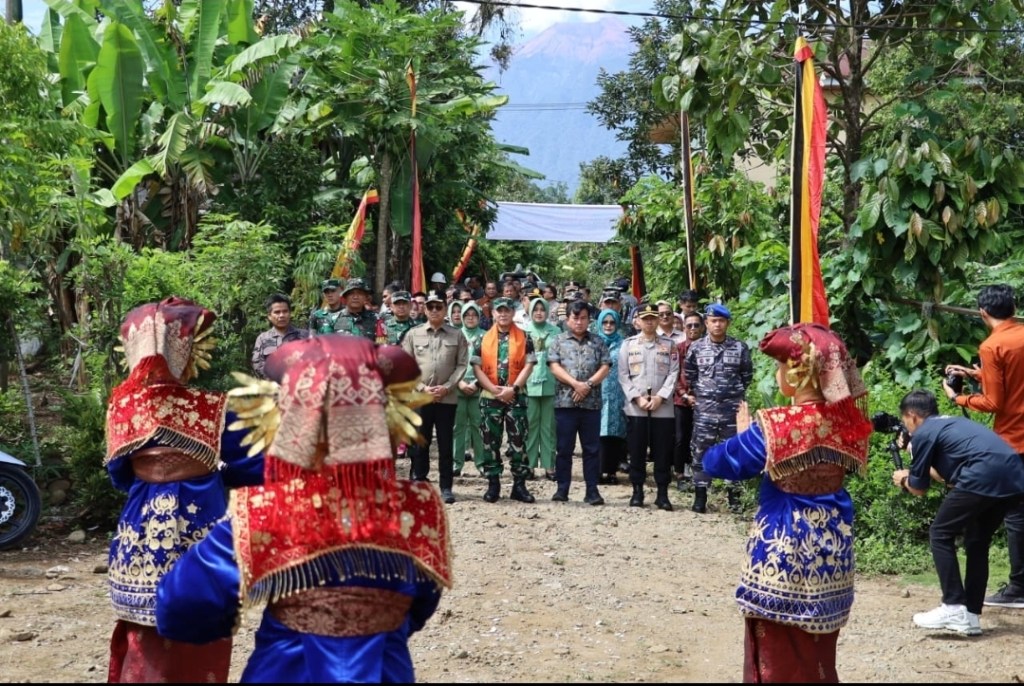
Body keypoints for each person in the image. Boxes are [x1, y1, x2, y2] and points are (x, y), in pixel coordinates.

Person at [155, 336, 452, 682]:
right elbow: (421, 603)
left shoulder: (266, 512)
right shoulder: (417, 509)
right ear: (383, 419)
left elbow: (183, 607)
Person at [701, 322, 872, 683]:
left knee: (776, 656)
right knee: (819, 652)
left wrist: (745, 434)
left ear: (796, 373)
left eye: (780, 366)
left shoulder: (777, 425)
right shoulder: (849, 423)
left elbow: (717, 462)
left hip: (783, 551)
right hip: (831, 550)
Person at [105, 296, 263, 682]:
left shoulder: (121, 408)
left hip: (140, 537)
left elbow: (119, 476)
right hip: (200, 534)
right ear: (190, 353)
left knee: (145, 633)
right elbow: (251, 467)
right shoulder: (212, 409)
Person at [892, 389, 1024, 636]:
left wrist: (903, 478)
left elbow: (918, 489)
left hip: (984, 475)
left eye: (904, 422)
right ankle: (970, 616)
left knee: (940, 532)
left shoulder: (924, 434)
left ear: (911, 416)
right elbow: (947, 478)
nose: (905, 427)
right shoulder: (952, 424)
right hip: (1014, 477)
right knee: (976, 541)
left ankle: (953, 604)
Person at [944, 283, 1024, 609]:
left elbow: (993, 401)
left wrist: (958, 397)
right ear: (1014, 307)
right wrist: (977, 374)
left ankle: (1018, 587)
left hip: (1014, 440)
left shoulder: (992, 346)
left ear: (983, 313)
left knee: (1014, 516)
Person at [401, 292, 469, 504]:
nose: (434, 310)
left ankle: (446, 487)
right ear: (425, 309)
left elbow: (462, 364)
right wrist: (422, 388)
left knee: (446, 443)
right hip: (420, 398)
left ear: (445, 308)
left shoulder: (456, 335)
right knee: (420, 441)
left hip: (446, 399)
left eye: (438, 307)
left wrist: (447, 387)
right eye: (430, 307)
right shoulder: (414, 333)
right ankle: (420, 481)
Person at [686, 303, 754, 514]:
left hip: (731, 410)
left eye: (721, 321)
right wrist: (704, 393)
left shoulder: (739, 347)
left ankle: (733, 496)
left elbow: (746, 376)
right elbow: (689, 375)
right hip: (705, 409)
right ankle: (700, 494)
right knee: (700, 451)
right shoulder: (696, 348)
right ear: (706, 323)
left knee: (733, 450)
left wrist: (731, 394)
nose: (717, 324)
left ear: (727, 323)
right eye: (713, 321)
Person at [470, 297, 537, 504]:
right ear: (493, 313)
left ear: (512, 313)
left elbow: (529, 365)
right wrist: (492, 388)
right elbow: (477, 368)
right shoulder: (482, 339)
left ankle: (519, 485)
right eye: (499, 311)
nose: (503, 314)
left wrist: (513, 388)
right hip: (490, 397)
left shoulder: (525, 337)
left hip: (515, 396)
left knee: (519, 441)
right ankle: (493, 484)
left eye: (506, 311)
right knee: (490, 441)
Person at [547, 300, 612, 504]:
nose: (579, 322)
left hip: (591, 404)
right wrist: (576, 384)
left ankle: (592, 490)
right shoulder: (558, 341)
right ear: (568, 319)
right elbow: (554, 366)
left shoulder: (598, 341)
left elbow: (605, 366)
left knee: (591, 449)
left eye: (583, 318)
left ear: (588, 320)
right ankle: (562, 489)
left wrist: (588, 384)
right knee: (564, 449)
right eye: (575, 318)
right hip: (565, 404)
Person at [618, 303, 680, 510]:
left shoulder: (669, 345)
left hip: (662, 408)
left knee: (662, 451)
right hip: (637, 407)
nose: (650, 322)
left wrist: (661, 397)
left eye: (653, 318)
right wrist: (637, 398)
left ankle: (662, 494)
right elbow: (623, 375)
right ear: (638, 321)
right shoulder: (628, 345)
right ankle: (637, 491)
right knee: (636, 451)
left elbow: (673, 373)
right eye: (646, 318)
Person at [523, 293, 561, 481]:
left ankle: (549, 465)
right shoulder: (522, 331)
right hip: (528, 384)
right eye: (535, 309)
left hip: (550, 383)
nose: (538, 313)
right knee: (529, 426)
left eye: (542, 309)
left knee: (549, 427)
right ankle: (529, 465)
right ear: (530, 311)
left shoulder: (556, 332)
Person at [595, 307, 628, 485]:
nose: (608, 325)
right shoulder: (593, 342)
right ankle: (598, 471)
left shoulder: (624, 344)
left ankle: (612, 471)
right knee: (597, 433)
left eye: (612, 322)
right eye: (605, 322)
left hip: (618, 394)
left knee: (614, 433)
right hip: (596, 393)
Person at [453, 301, 486, 476]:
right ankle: (456, 464)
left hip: (479, 387)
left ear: (479, 317)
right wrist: (459, 382)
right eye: (467, 315)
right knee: (458, 427)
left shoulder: (486, 336)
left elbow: (489, 364)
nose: (470, 318)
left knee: (478, 426)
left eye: (474, 315)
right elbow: (449, 363)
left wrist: (477, 383)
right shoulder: (455, 335)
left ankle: (481, 463)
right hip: (458, 386)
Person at [673, 311, 705, 490]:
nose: (693, 329)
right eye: (689, 325)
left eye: (696, 325)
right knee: (680, 438)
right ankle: (679, 473)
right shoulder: (678, 349)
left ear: (703, 327)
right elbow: (673, 374)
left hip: (705, 401)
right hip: (681, 399)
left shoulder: (709, 348)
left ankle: (699, 473)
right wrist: (685, 395)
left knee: (701, 438)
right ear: (684, 328)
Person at [251, 293, 308, 379]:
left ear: (290, 313)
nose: (281, 315)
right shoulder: (263, 339)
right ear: (269, 316)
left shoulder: (304, 336)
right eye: (277, 312)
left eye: (285, 311)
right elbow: (257, 363)